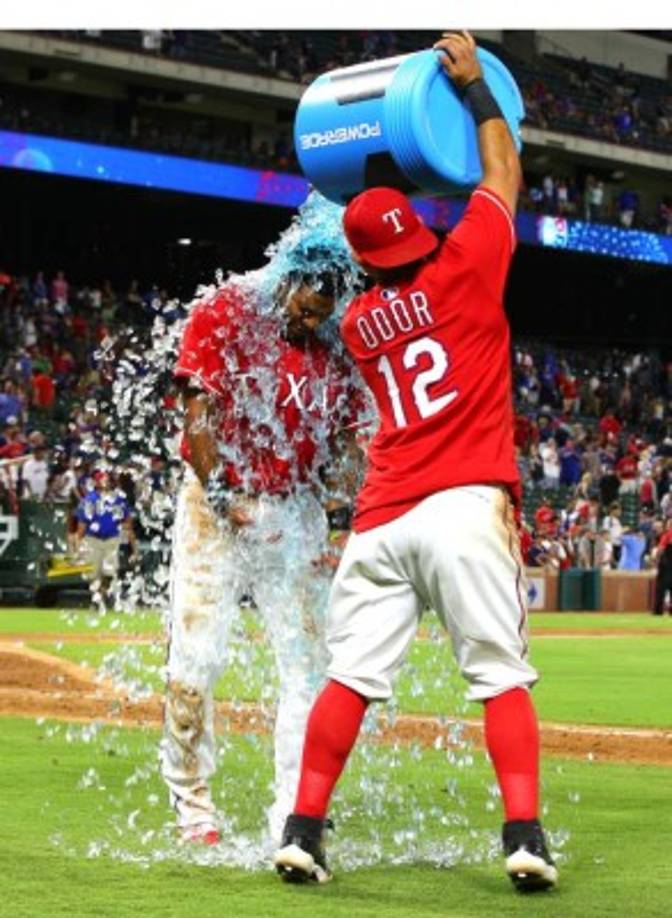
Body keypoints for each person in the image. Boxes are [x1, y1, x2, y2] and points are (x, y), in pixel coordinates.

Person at [275, 32, 557, 894]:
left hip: (383, 513)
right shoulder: (468, 262)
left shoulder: (357, 325)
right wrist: (473, 94)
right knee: (499, 676)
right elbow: (501, 175)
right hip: (463, 503)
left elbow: (359, 260)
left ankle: (302, 830)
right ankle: (523, 836)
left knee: (351, 679)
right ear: (418, 230)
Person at [160, 197, 365, 847]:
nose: (311, 323)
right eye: (304, 308)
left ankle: (295, 810)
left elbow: (343, 448)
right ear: (287, 280)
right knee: (194, 658)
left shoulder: (336, 345)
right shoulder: (224, 310)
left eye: (323, 312)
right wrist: (228, 502)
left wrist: (340, 510)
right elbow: (198, 419)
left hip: (295, 508)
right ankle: (191, 797)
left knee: (308, 664)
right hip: (215, 501)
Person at [74, 470, 137, 611]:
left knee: (110, 573)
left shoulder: (118, 500)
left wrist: (134, 547)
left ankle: (101, 596)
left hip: (112, 538)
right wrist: (78, 546)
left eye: (107, 479)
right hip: (92, 539)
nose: (105, 482)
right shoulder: (90, 499)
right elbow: (82, 524)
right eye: (102, 479)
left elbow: (127, 522)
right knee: (93, 574)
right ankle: (97, 600)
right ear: (96, 482)